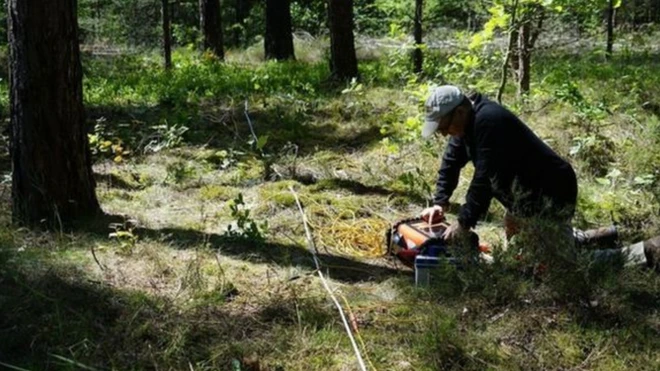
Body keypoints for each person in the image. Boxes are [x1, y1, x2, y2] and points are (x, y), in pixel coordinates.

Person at [419, 85, 659, 270]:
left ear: (459, 111)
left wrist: (463, 223)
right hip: (522, 197)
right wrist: (440, 201)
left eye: (443, 127)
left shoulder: (488, 121)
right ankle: (587, 237)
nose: (442, 133)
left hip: (550, 192)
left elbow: (484, 178)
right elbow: (451, 161)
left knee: (559, 267)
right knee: (524, 253)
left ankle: (644, 252)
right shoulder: (466, 123)